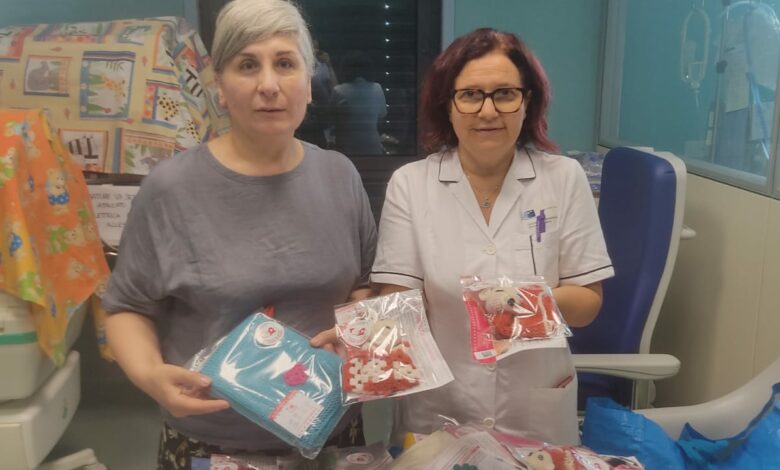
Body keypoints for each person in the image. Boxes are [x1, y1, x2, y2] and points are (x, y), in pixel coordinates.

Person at [102, 0, 377, 468]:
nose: (269, 85)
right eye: (248, 65)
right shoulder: (171, 189)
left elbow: (364, 286)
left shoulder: (340, 176)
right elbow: (127, 306)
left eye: (285, 64)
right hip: (211, 444)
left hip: (330, 430)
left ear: (309, 83)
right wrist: (150, 376)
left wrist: (355, 331)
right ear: (220, 87)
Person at [370, 28, 614, 444]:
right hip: (440, 408)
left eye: (504, 94)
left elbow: (587, 303)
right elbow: (398, 305)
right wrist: (363, 338)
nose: (488, 111)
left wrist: (520, 304)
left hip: (534, 410)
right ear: (447, 105)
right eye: (470, 95)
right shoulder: (411, 184)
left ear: (527, 102)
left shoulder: (563, 178)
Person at [329, 51, 387, 155]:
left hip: (347, 150)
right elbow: (382, 114)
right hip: (372, 148)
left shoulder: (338, 90)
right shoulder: (377, 88)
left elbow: (331, 118)